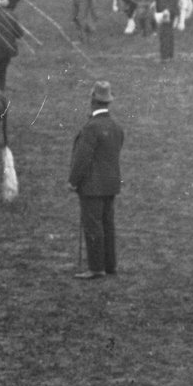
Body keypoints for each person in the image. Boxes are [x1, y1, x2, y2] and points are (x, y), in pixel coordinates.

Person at [68, 80, 124, 279]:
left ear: (93, 100)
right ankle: (110, 265)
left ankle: (96, 267)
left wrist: (73, 181)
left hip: (91, 186)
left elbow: (82, 159)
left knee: (93, 225)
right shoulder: (116, 126)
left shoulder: (91, 128)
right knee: (108, 224)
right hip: (111, 184)